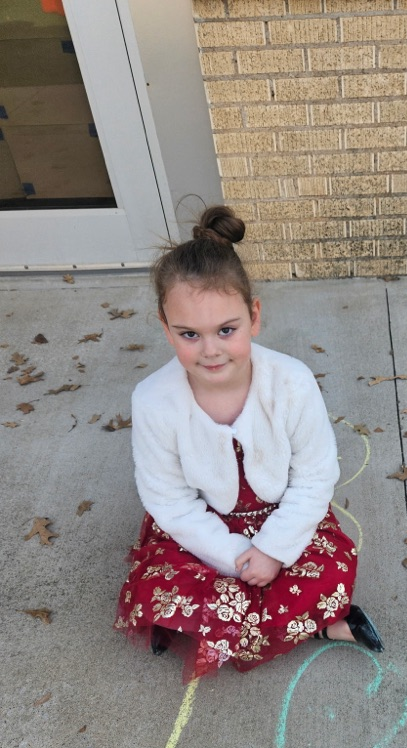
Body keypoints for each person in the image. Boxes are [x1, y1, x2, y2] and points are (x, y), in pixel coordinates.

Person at [115, 205, 383, 683]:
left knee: (328, 571)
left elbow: (316, 475)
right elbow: (168, 501)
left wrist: (276, 549)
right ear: (165, 327)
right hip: (204, 527)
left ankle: (206, 628)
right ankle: (314, 628)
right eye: (189, 335)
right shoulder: (154, 401)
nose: (211, 350)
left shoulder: (292, 383)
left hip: (283, 515)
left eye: (226, 330)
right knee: (158, 583)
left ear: (254, 316)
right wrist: (235, 556)